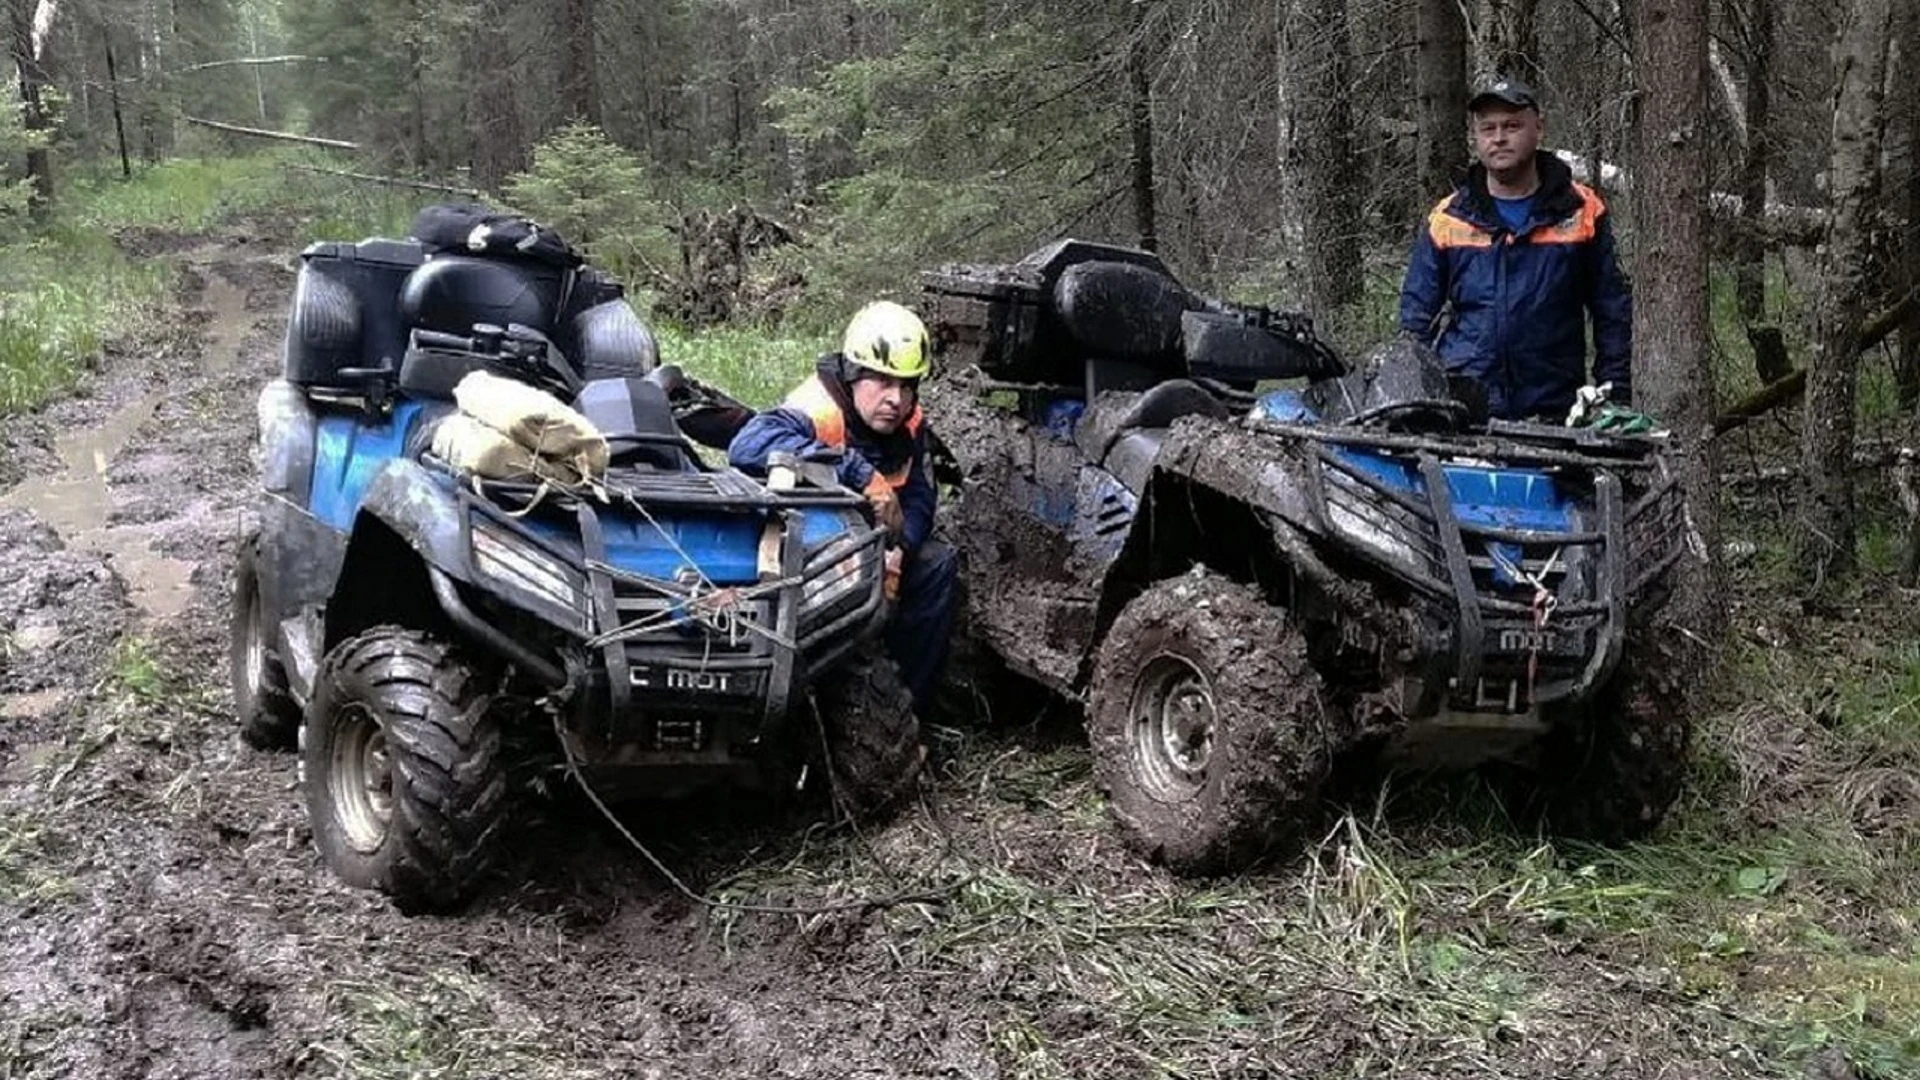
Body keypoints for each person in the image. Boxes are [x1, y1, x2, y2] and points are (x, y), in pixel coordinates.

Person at [728, 301, 957, 715]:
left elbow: (922, 494)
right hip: (812, 539)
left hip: (875, 541)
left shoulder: (910, 421)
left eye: (906, 386)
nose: (896, 399)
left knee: (939, 566)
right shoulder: (815, 408)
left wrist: (900, 548)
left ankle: (910, 710)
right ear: (853, 374)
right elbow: (745, 447)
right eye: (883, 382)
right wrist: (860, 472)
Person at [1399, 75, 1634, 423]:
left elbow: (1612, 313)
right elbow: (1415, 321)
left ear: (1538, 129)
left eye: (1511, 126)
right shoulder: (1449, 218)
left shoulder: (1581, 212)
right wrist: (1414, 400)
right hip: (1465, 409)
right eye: (1487, 128)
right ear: (1476, 138)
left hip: (1554, 409)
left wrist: (1614, 396)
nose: (1498, 138)